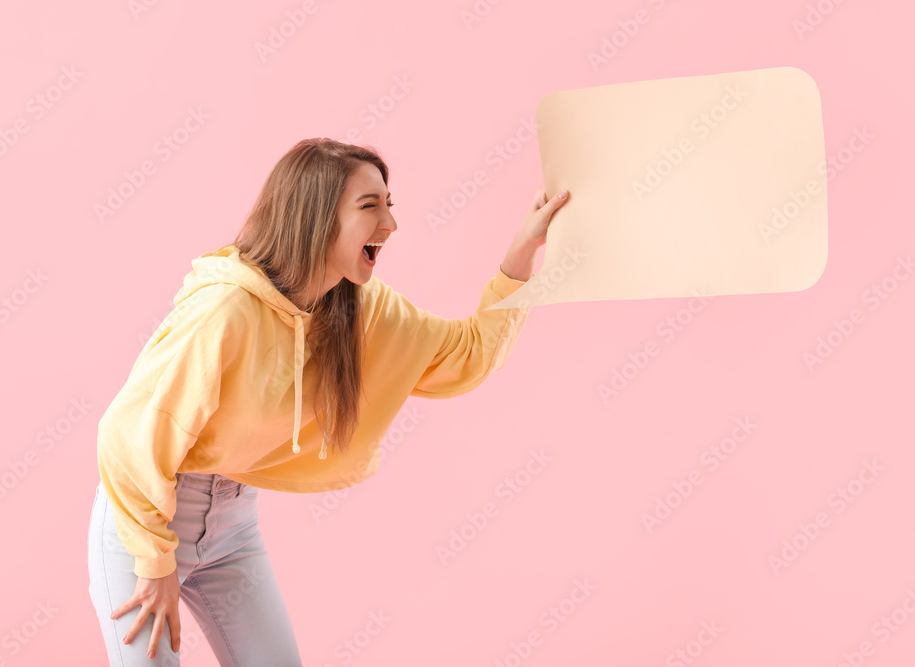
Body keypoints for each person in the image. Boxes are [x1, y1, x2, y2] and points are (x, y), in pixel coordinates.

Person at [87, 137, 569, 666]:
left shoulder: (358, 305)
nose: (390, 223)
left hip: (234, 524)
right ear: (317, 217)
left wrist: (522, 252)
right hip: (147, 519)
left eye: (390, 204)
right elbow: (127, 442)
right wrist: (155, 565)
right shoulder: (225, 312)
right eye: (370, 206)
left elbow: (467, 355)